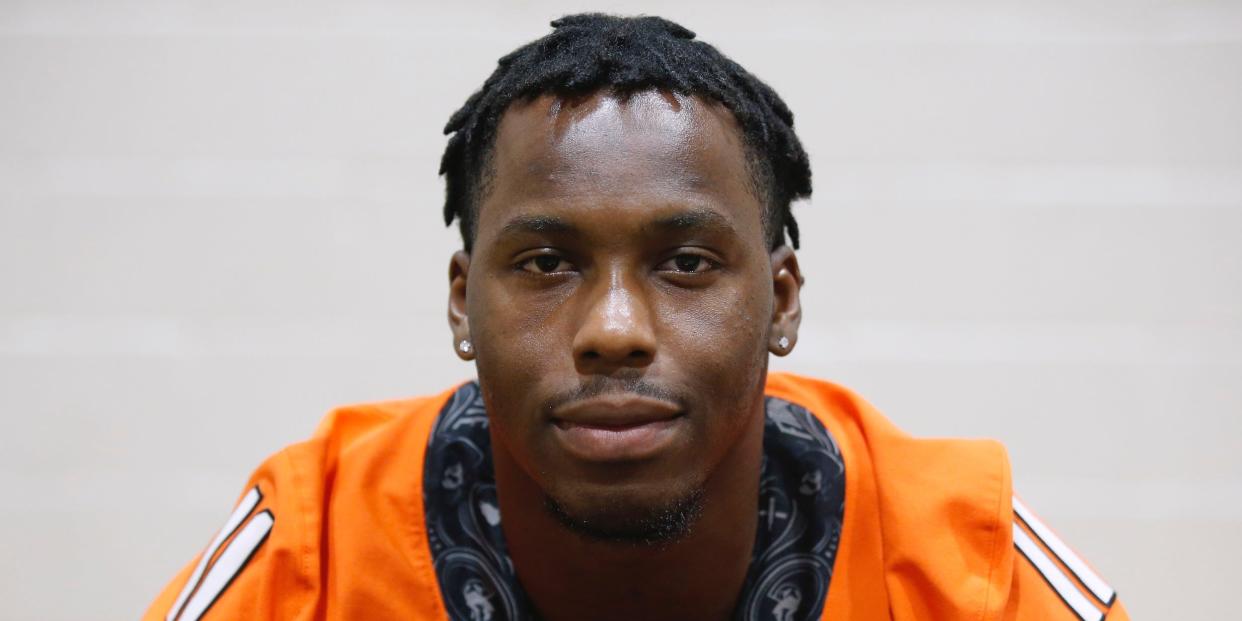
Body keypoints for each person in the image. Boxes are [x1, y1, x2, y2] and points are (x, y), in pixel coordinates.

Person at [144, 14, 1129, 621]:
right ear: (461, 302)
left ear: (781, 300)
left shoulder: (964, 566)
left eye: (687, 262)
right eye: (546, 262)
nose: (613, 327)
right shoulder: (305, 561)